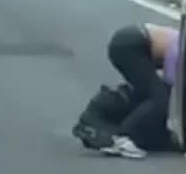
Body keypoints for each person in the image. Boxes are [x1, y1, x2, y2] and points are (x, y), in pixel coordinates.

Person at [73, 23, 180, 159]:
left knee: (147, 93)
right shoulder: (181, 51)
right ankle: (125, 135)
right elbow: (171, 88)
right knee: (160, 98)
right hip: (131, 44)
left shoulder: (183, 44)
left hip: (130, 42)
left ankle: (110, 117)